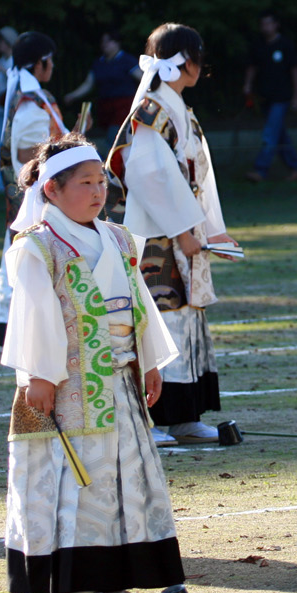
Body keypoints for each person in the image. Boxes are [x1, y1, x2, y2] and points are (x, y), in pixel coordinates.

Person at [1, 134, 190, 593]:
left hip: (119, 381)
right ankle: (64, 582)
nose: (96, 191)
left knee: (118, 479)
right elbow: (33, 314)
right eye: (84, 183)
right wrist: (37, 376)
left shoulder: (120, 237)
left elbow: (138, 303)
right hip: (66, 386)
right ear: (52, 190)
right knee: (74, 479)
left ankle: (110, 572)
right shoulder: (37, 247)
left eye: (100, 181)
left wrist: (146, 361)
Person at [117, 23, 240, 445]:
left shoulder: (176, 108)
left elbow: (194, 176)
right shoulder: (152, 110)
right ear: (186, 61)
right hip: (157, 237)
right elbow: (150, 175)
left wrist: (211, 232)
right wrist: (184, 230)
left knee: (185, 320)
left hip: (179, 232)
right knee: (161, 320)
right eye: (197, 56)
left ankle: (184, 416)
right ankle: (152, 419)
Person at [0, 31, 67, 345]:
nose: (52, 66)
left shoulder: (28, 96)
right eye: (50, 61)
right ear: (41, 63)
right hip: (39, 197)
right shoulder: (31, 102)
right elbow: (28, 153)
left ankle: (12, 324)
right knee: (28, 261)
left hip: (36, 195)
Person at [242, 13, 297, 183]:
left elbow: (295, 70)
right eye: (263, 24)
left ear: (276, 25)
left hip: (282, 98)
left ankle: (260, 170)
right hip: (265, 98)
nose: (265, 28)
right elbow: (252, 67)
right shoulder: (259, 45)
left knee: (270, 134)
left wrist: (296, 97)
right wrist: (248, 85)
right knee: (279, 134)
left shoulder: (285, 45)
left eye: (268, 24)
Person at [63, 31, 141, 150]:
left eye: (107, 41)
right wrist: (72, 96)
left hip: (123, 108)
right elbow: (88, 84)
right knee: (107, 139)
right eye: (102, 41)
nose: (104, 44)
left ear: (116, 43)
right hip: (105, 108)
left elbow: (142, 78)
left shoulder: (127, 60)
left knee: (113, 139)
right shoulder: (99, 63)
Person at [0, 26, 18, 196]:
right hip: (1, 110)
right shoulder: (1, 60)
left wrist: (2, 70)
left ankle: (11, 184)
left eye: (1, 41)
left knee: (11, 148)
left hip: (14, 111)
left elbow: (18, 80)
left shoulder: (14, 61)